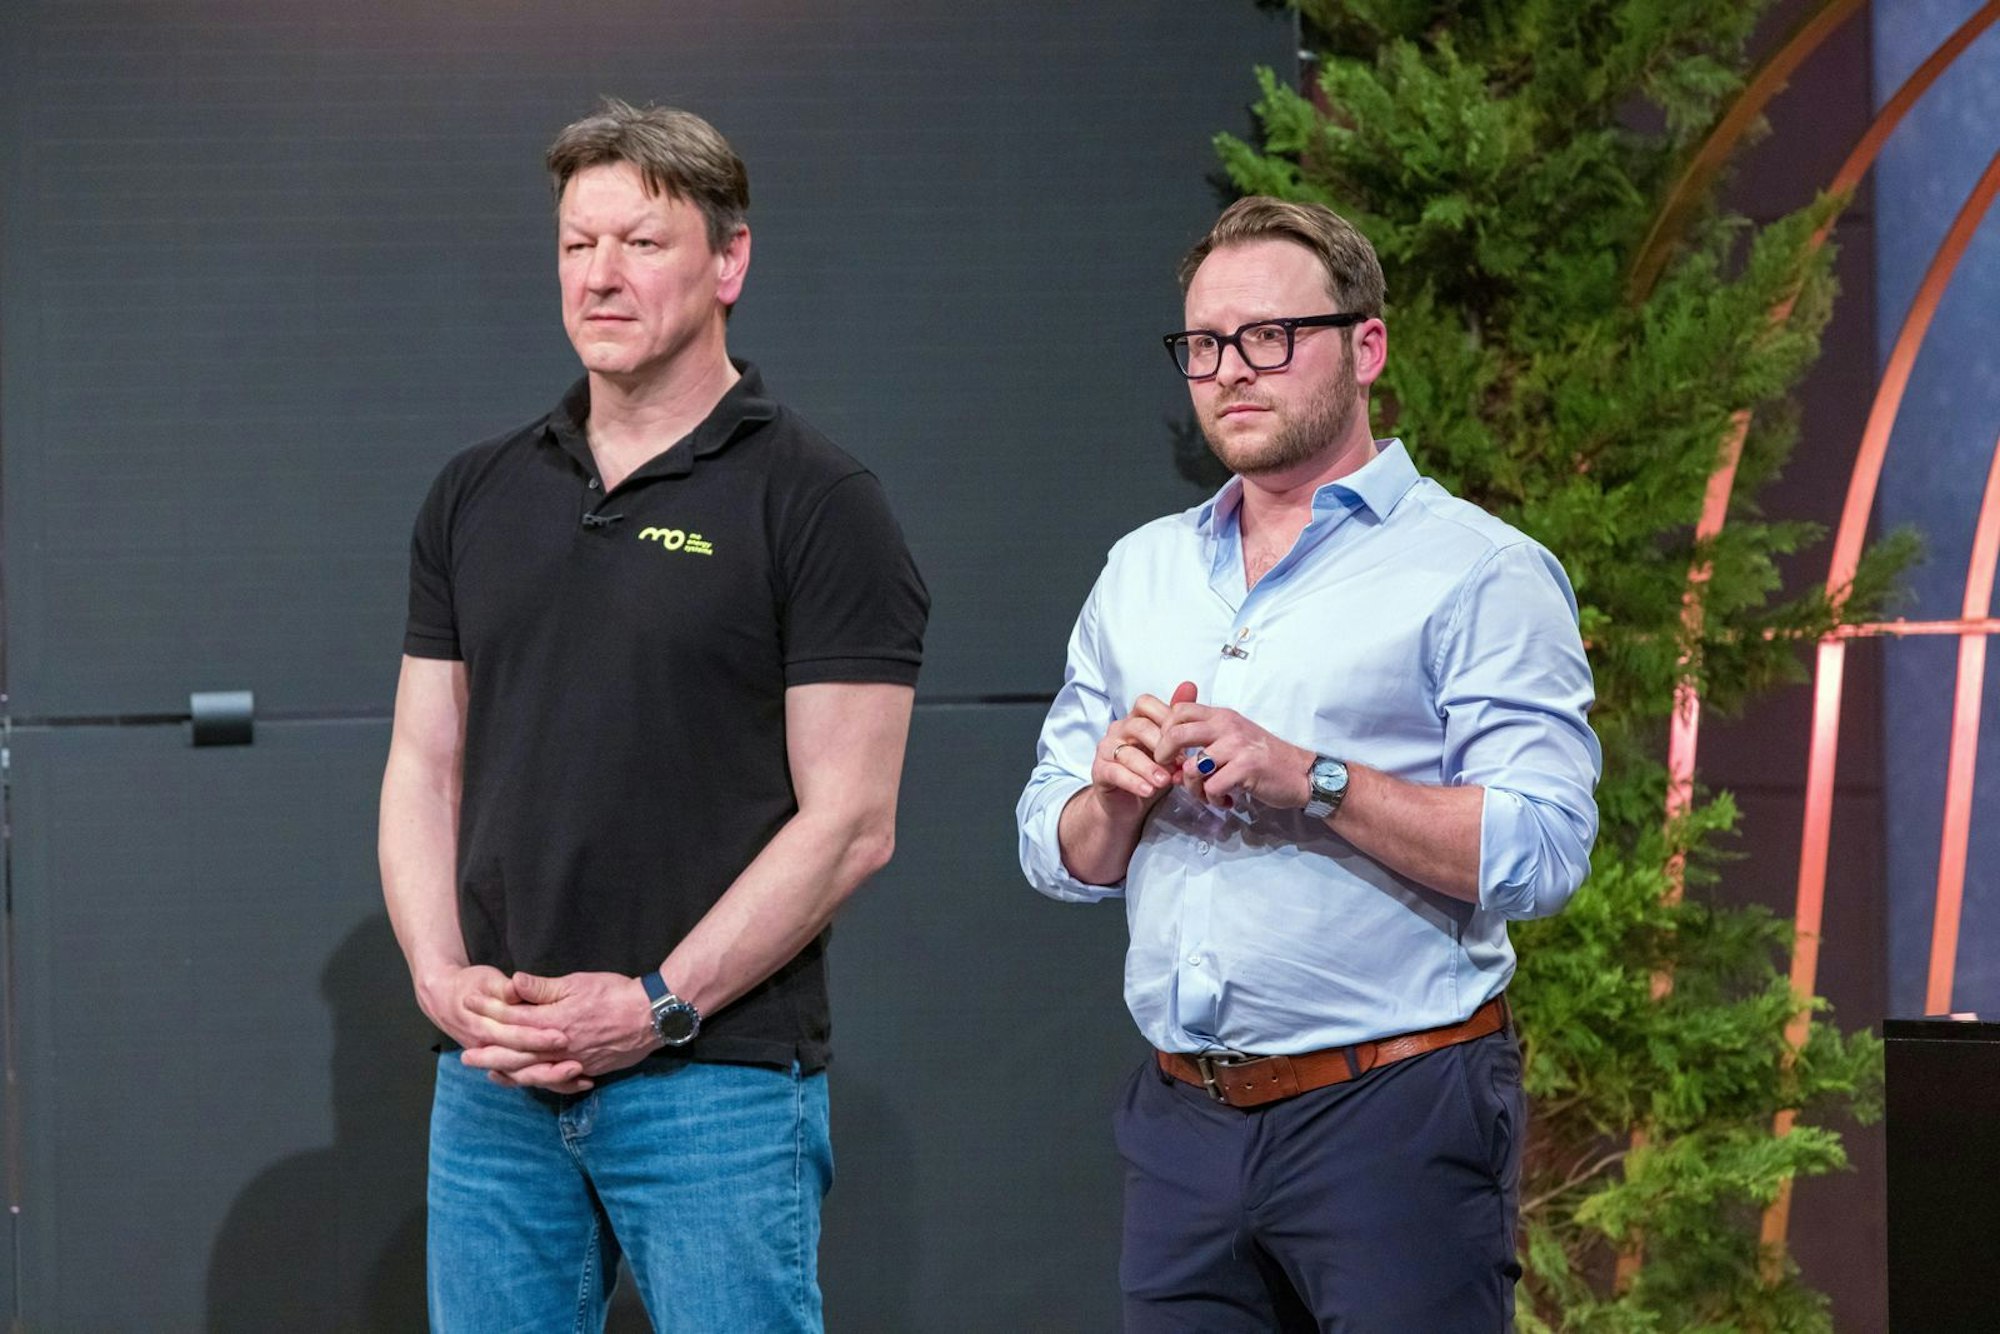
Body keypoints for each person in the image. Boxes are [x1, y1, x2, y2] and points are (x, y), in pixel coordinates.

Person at [379, 98, 928, 1332]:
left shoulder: (817, 500)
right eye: (577, 244)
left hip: (712, 1078)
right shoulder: (476, 491)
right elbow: (424, 762)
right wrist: (438, 975)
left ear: (728, 261)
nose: (600, 277)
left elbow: (850, 823)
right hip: (495, 1079)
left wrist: (656, 1001)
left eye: (640, 242)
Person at [1015, 196, 1600, 1331]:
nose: (1231, 369)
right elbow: (1054, 846)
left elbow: (1543, 848)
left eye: (1268, 337)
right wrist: (1114, 796)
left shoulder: (1477, 569)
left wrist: (1315, 782)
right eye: (1203, 345)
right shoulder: (1141, 570)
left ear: (1364, 345)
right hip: (1184, 1117)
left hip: (1391, 1110)